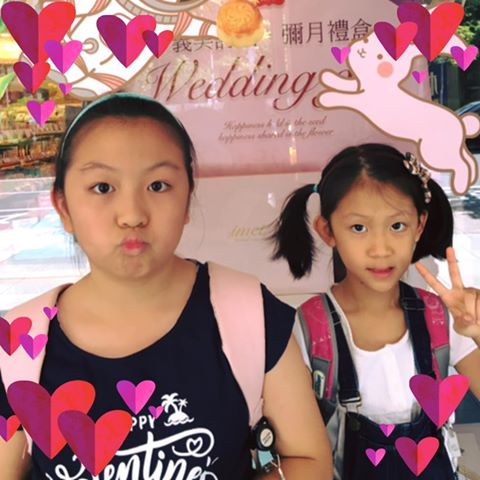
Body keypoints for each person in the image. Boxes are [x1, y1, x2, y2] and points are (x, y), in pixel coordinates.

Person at [0, 93, 332, 480]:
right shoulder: (18, 343)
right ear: (63, 207)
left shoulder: (249, 314)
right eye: (102, 187)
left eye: (158, 185)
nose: (132, 215)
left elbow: (310, 460)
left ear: (187, 199)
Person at [270, 143, 480, 479]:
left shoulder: (440, 317)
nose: (380, 249)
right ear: (327, 230)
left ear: (419, 226)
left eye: (397, 226)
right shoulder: (306, 330)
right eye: (359, 228)